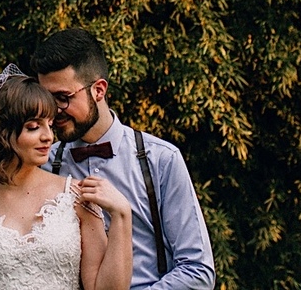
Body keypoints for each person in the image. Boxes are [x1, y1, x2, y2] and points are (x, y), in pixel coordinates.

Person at [32, 29, 216, 290]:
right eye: (46, 99)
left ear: (98, 90)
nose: (54, 111)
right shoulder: (42, 164)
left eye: (63, 98)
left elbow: (198, 271)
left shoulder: (160, 160)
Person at [0, 65, 133, 290]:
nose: (48, 136)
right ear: (0, 132)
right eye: (34, 127)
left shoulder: (77, 199)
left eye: (50, 124)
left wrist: (122, 216)